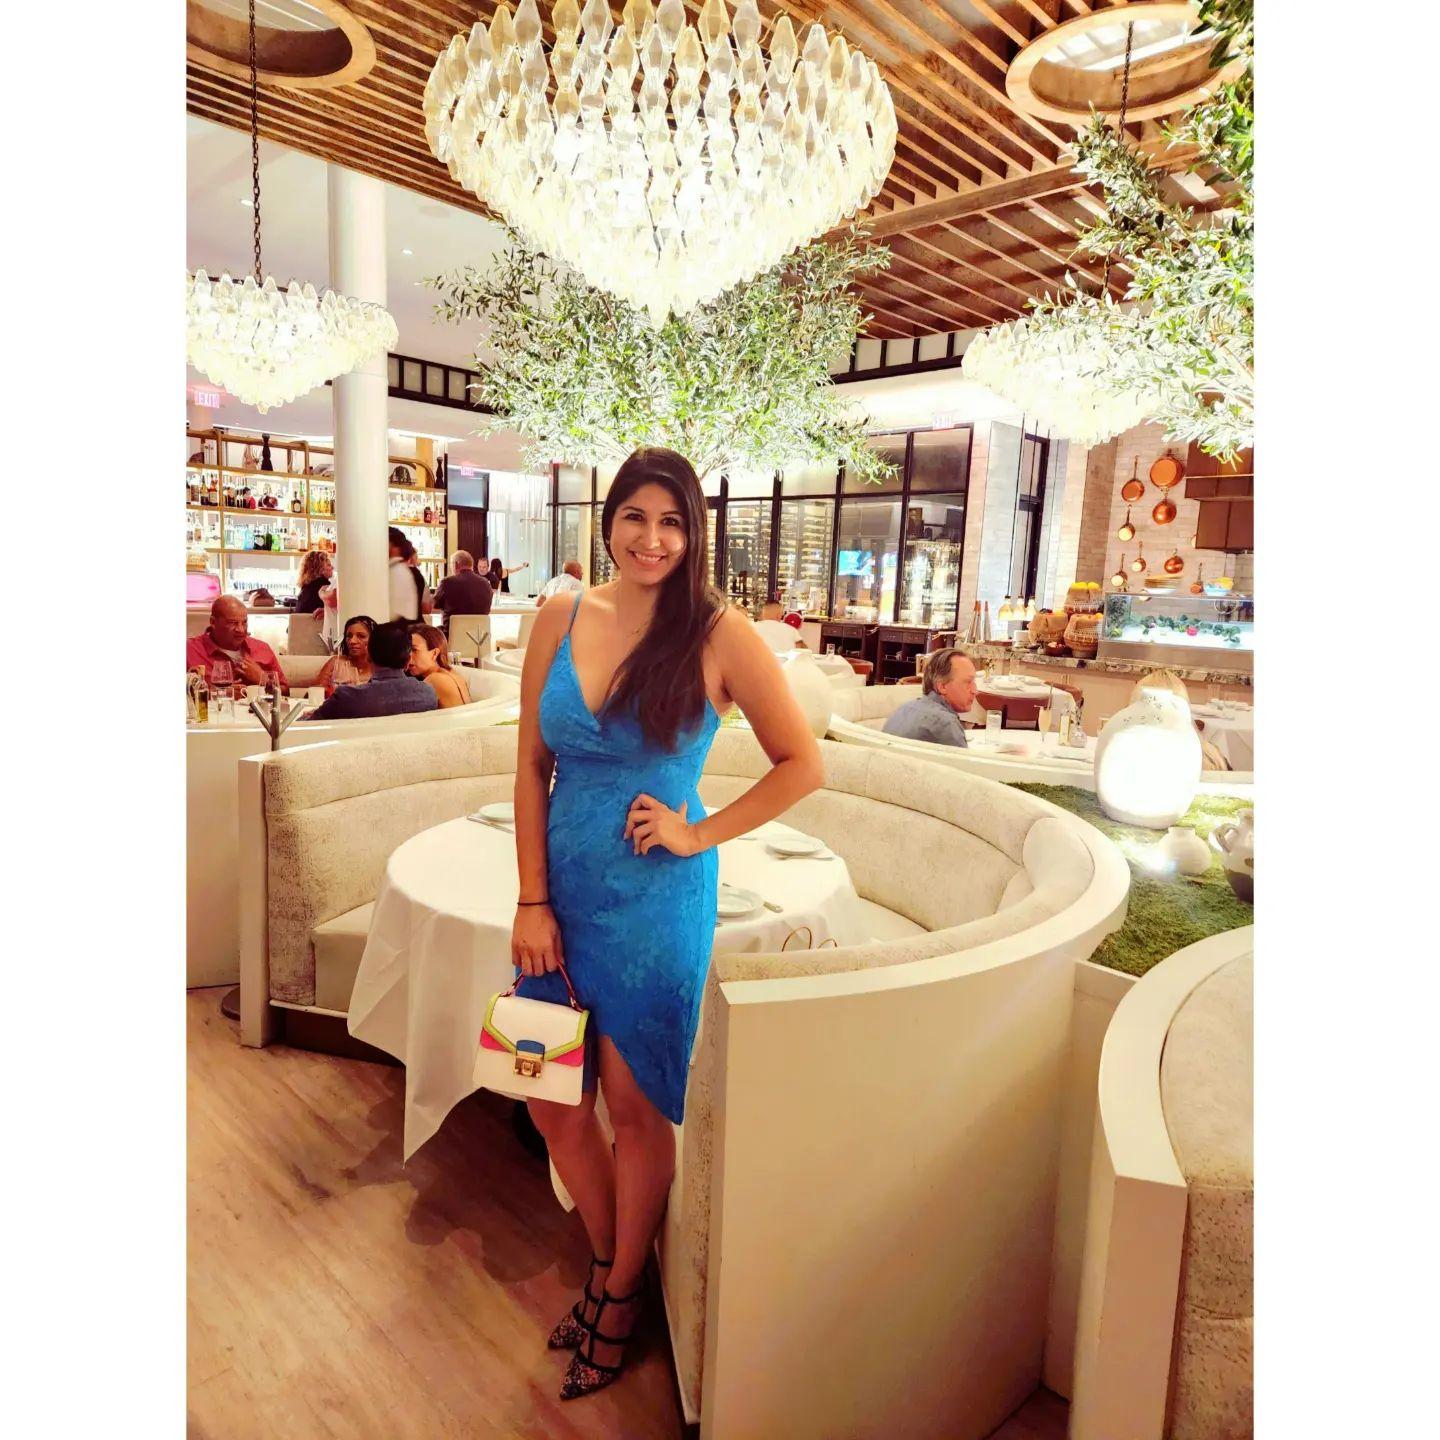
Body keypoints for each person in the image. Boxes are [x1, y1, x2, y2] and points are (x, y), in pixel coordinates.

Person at [512, 447, 824, 1401]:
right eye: (636, 517)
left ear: (695, 535)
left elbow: (800, 762)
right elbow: (530, 765)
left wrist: (699, 832)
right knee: (545, 1095)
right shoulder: (560, 613)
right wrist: (530, 897)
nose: (653, 539)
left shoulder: (721, 634)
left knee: (635, 1105)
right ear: (608, 522)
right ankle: (624, 1271)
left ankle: (611, 1297)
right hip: (556, 899)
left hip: (657, 904)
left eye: (673, 522)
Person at [306, 621, 438, 720]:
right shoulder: (428, 694)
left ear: (368, 653)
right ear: (408, 659)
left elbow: (304, 727)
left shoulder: (347, 697)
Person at [881, 647, 978, 747]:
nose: (975, 691)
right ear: (942, 686)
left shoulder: (903, 709)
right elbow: (962, 762)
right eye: (968, 682)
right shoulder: (945, 723)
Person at [185, 594, 285, 691]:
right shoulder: (190, 650)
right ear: (213, 622)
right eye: (232, 623)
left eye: (244, 622)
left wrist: (263, 680)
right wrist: (216, 692)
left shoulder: (261, 648)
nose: (241, 630)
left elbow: (286, 692)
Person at [407, 624, 470, 708]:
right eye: (407, 650)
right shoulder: (453, 673)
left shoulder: (433, 680)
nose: (408, 656)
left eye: (414, 650)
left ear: (434, 653)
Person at [432, 550, 494, 628]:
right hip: (479, 637)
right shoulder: (486, 584)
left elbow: (434, 605)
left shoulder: (447, 582)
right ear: (471, 565)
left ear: (456, 564)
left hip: (451, 635)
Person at [317, 615, 375, 692]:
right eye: (349, 636)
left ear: (374, 639)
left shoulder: (380, 667)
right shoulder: (336, 662)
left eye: (361, 636)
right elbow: (316, 692)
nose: (352, 641)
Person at [389, 527, 425, 622]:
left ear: (393, 546)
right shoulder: (404, 570)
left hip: (400, 631)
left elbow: (393, 614)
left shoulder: (396, 571)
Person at [294, 549, 333, 616]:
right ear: (319, 568)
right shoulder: (324, 587)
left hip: (298, 625)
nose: (332, 567)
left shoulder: (306, 587)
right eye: (329, 565)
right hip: (313, 626)